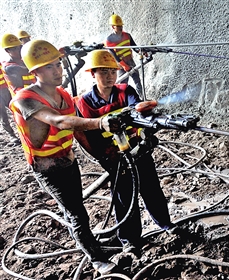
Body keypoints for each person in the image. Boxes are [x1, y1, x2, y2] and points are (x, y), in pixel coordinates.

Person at [9, 39, 122, 275]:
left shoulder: (63, 95)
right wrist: (100, 122)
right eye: (49, 66)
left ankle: (95, 247)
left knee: (77, 207)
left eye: (58, 64)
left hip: (67, 160)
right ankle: (97, 260)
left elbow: (76, 130)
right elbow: (59, 121)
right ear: (35, 71)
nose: (57, 70)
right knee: (76, 214)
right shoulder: (24, 99)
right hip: (47, 167)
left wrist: (102, 158)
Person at [74, 49, 175, 257]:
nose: (110, 76)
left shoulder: (124, 91)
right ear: (93, 74)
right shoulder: (85, 103)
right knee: (124, 198)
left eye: (113, 71)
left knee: (151, 189)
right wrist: (104, 157)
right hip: (114, 157)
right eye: (104, 72)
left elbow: (134, 108)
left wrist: (141, 111)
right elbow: (86, 134)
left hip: (138, 151)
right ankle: (129, 241)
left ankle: (166, 225)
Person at [104, 14, 143, 96]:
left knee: (137, 79)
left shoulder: (127, 35)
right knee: (123, 84)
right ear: (113, 27)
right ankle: (123, 101)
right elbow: (115, 56)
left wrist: (141, 52)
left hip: (130, 61)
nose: (121, 28)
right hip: (121, 64)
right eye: (118, 26)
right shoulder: (109, 40)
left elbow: (135, 47)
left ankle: (141, 97)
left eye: (121, 26)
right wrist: (124, 66)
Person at [1, 33, 36, 97]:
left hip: (34, 93)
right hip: (22, 99)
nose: (19, 50)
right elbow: (24, 69)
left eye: (20, 47)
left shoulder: (23, 61)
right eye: (15, 48)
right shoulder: (8, 67)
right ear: (7, 50)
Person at [0, 62, 19, 143]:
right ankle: (12, 136)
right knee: (3, 116)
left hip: (6, 90)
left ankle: (24, 132)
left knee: (17, 110)